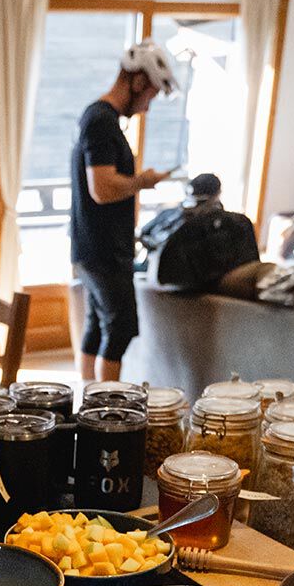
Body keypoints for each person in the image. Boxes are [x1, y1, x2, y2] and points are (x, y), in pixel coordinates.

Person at [70, 41, 184, 381]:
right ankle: (105, 406)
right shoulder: (101, 121)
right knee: (119, 329)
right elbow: (102, 188)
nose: (148, 105)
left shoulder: (100, 118)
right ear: (137, 81)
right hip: (103, 249)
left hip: (93, 246)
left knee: (97, 325)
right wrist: (142, 181)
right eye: (150, 94)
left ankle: (87, 397)